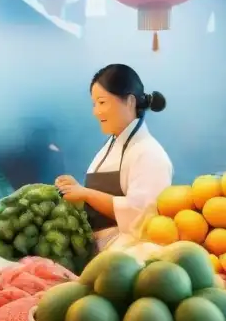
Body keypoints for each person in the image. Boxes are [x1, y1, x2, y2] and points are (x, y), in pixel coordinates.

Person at [55, 64, 173, 252]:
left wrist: (86, 193)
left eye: (102, 102)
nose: (96, 111)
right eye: (94, 104)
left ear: (130, 102)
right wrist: (74, 190)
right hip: (99, 251)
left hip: (127, 256)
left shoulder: (149, 153)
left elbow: (142, 214)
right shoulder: (111, 144)